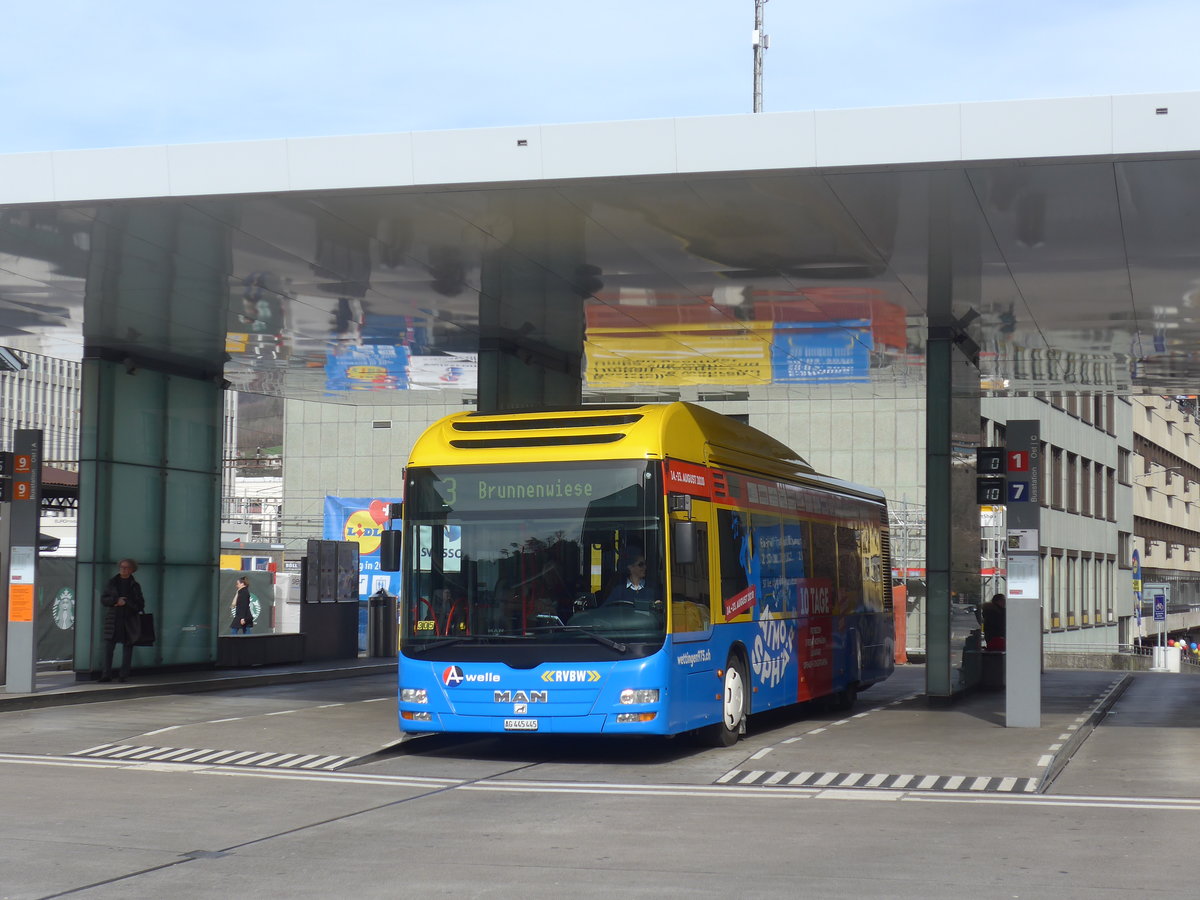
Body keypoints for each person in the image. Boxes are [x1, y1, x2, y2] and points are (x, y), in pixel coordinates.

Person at [99, 558, 145, 682]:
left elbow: (140, 604)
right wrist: (116, 601)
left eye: (126, 567)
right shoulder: (112, 583)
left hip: (129, 620)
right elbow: (104, 599)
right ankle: (106, 675)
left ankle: (123, 675)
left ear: (132, 570)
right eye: (121, 567)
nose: (123, 569)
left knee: (128, 648)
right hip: (113, 619)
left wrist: (127, 602)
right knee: (108, 648)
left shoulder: (134, 585)